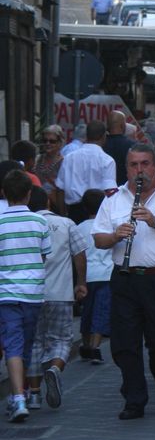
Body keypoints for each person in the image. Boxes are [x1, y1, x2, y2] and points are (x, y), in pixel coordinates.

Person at [92, 144, 155, 419]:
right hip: (125, 279)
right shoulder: (113, 198)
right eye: (134, 165)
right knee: (125, 344)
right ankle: (134, 399)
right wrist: (115, 235)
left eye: (145, 164)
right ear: (126, 169)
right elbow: (99, 239)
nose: (140, 170)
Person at [25, 187, 87, 412]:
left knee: (34, 342)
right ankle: (55, 369)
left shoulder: (25, 225)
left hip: (32, 294)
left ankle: (33, 394)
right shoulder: (66, 224)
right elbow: (79, 254)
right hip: (61, 293)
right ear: (48, 203)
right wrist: (81, 283)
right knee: (62, 339)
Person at [0, 171, 51, 423]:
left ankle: (18, 397)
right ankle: (21, 394)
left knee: (12, 344)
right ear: (29, 194)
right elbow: (43, 255)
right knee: (26, 344)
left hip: (6, 293)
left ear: (4, 193)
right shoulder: (40, 222)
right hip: (33, 293)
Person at [54, 120, 116, 223]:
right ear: (104, 136)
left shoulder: (69, 158)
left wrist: (63, 215)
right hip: (98, 212)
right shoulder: (107, 160)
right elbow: (110, 191)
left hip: (74, 212)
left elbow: (60, 189)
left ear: (87, 136)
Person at [76, 189, 111, 364]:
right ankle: (96, 347)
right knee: (101, 311)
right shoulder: (108, 226)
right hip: (106, 274)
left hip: (87, 276)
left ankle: (85, 345)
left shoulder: (79, 228)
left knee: (87, 311)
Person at [34, 125, 64, 208]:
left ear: (60, 143)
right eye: (45, 140)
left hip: (55, 205)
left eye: (52, 141)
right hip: (36, 204)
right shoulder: (37, 159)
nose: (48, 144)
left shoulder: (64, 163)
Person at [104, 110, 134, 185]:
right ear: (122, 125)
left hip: (104, 188)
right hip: (125, 187)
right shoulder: (132, 145)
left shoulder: (101, 144)